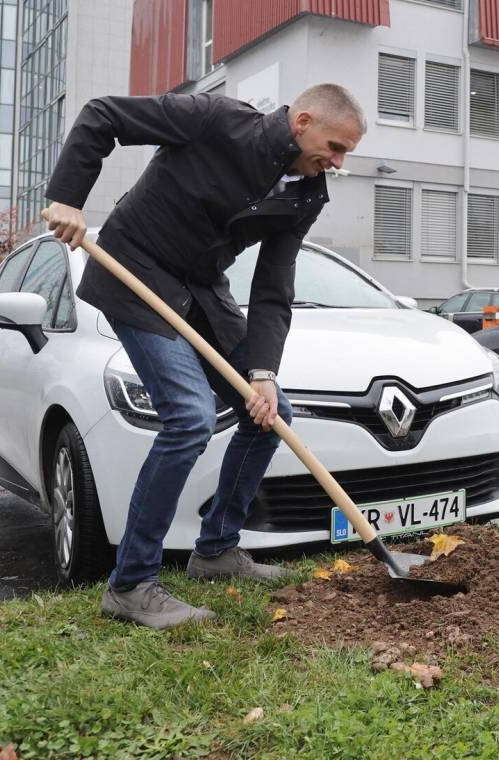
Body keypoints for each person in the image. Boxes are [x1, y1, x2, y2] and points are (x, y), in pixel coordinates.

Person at [43, 83, 365, 629]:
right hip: (135, 273)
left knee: (270, 414)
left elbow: (273, 286)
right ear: (303, 121)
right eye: (334, 148)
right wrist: (69, 196)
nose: (336, 163)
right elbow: (104, 115)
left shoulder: (307, 194)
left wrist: (262, 374)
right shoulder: (215, 119)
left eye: (344, 155)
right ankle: (131, 584)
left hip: (200, 292)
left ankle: (215, 550)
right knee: (189, 417)